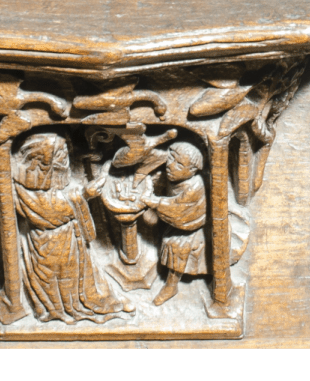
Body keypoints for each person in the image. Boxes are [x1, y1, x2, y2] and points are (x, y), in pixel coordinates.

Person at [13, 133, 133, 324]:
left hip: (70, 236)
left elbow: (57, 197)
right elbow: (50, 212)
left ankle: (101, 298)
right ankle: (68, 306)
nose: (66, 158)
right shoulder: (26, 188)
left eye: (65, 151)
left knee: (85, 272)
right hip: (50, 242)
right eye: (60, 153)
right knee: (65, 278)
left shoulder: (47, 177)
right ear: (45, 160)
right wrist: (84, 194)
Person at [141, 142, 207, 306]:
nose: (170, 165)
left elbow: (178, 207)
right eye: (171, 159)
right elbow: (160, 184)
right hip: (175, 223)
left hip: (191, 226)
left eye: (179, 164)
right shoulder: (173, 176)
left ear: (192, 171)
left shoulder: (194, 186)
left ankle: (171, 286)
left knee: (177, 246)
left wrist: (155, 202)